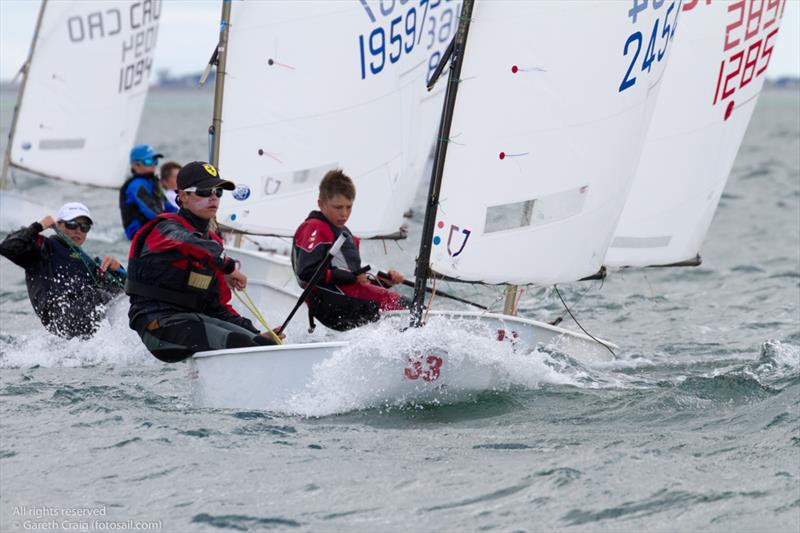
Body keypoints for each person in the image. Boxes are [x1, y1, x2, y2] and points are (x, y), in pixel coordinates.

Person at [125, 161, 280, 363]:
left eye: (218, 192)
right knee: (241, 344)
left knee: (261, 344)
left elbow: (217, 307)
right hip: (158, 325)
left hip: (194, 320)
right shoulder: (164, 229)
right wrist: (228, 266)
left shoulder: (212, 243)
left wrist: (257, 333)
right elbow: (188, 242)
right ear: (183, 196)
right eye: (205, 191)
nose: (213, 197)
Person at [292, 169, 409, 331]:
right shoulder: (314, 227)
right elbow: (307, 272)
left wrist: (384, 282)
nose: (344, 213)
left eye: (349, 207)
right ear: (321, 204)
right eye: (338, 207)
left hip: (345, 299)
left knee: (406, 306)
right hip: (331, 303)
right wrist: (351, 276)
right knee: (408, 307)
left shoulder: (344, 233)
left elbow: (354, 278)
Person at [0, 202, 126, 339]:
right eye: (72, 224)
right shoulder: (44, 248)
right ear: (59, 225)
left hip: (86, 318)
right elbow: (7, 247)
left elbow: (122, 292)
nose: (78, 230)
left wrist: (118, 269)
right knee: (101, 296)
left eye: (84, 227)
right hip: (60, 316)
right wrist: (38, 226)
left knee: (118, 293)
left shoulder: (87, 260)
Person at [119, 144, 177, 240]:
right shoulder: (136, 185)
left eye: (155, 161)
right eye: (149, 161)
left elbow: (168, 206)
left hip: (153, 230)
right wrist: (174, 222)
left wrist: (184, 216)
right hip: (138, 236)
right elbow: (152, 212)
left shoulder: (152, 181)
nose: (153, 164)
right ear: (136, 165)